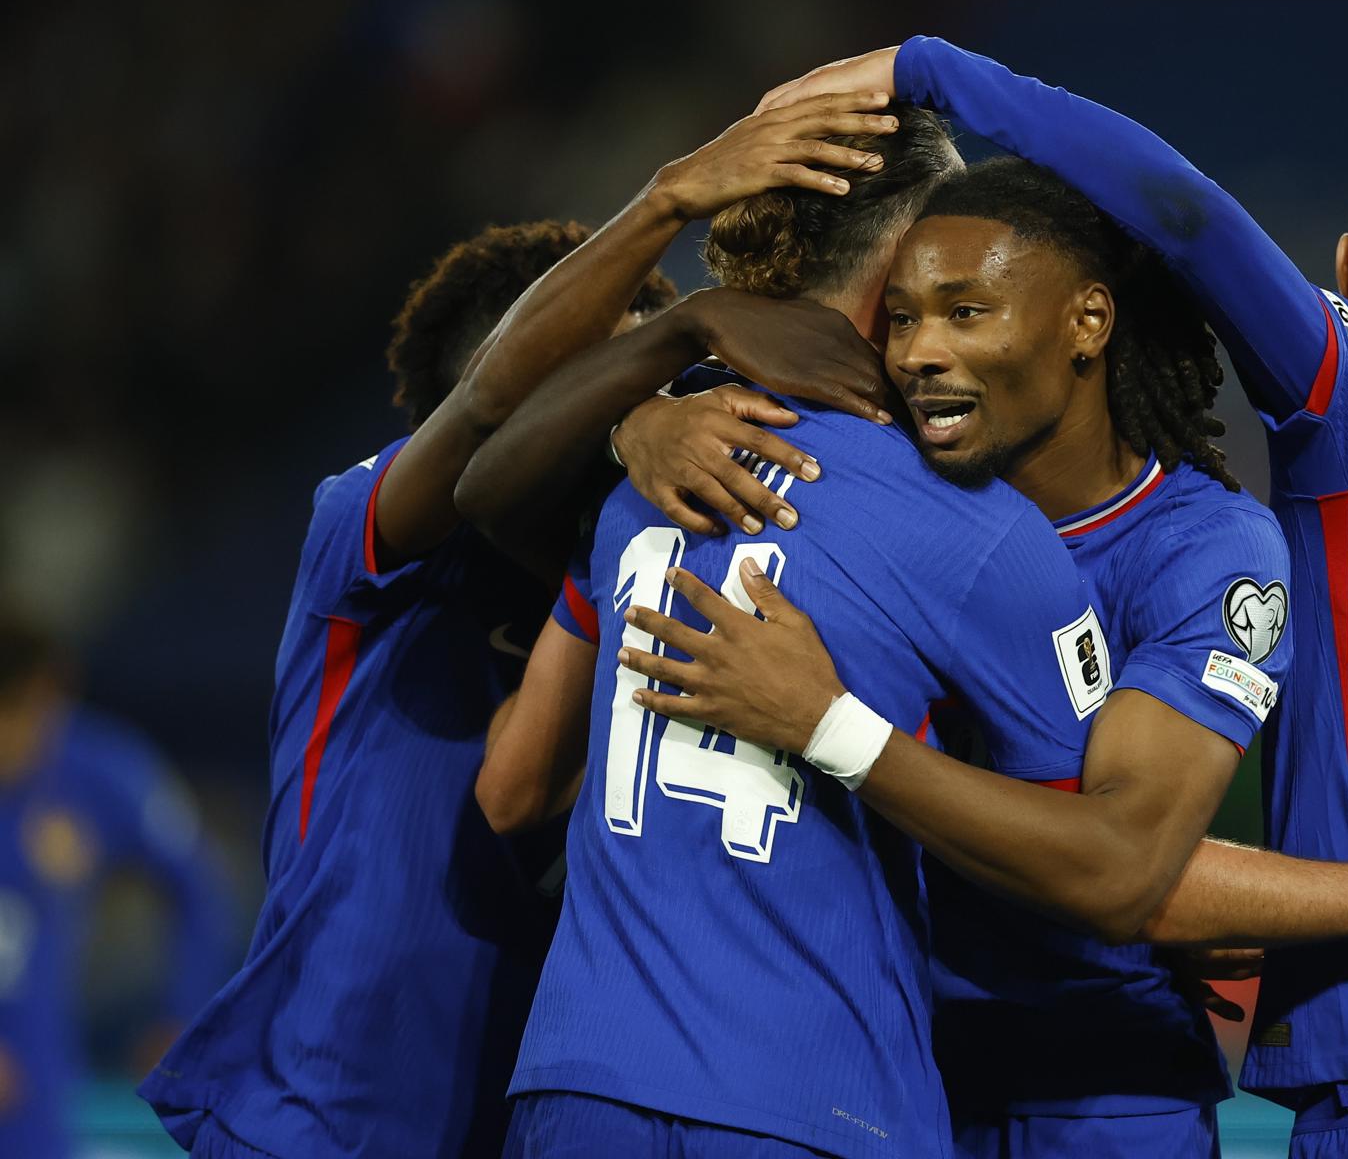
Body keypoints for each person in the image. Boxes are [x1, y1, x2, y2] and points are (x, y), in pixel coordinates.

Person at [469, 114, 1348, 1158]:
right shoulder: (869, 487)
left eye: (966, 311)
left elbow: (1131, 868)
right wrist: (639, 418)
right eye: (902, 316)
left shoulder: (1208, 552)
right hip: (904, 1069)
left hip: (1099, 1093)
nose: (920, 351)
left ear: (1086, 323)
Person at [741, 38, 1348, 1157]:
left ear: (1346, 271)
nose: (922, 349)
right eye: (903, 318)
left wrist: (935, 70)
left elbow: (1183, 212)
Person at [138, 94, 896, 1159]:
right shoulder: (368, 532)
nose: (644, 398)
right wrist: (670, 210)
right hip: (319, 1115)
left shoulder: (653, 560)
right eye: (607, 375)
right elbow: (492, 412)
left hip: (530, 1117)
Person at [0, 606, 230, 1159]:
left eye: (11, 714)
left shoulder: (99, 771)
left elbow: (199, 888)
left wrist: (183, 1012)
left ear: (46, 694)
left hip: (35, 1088)